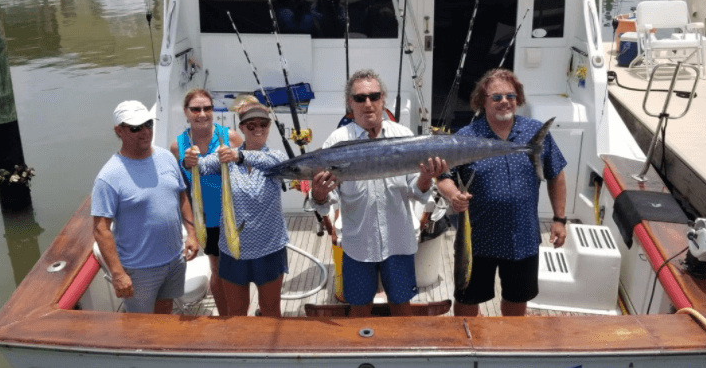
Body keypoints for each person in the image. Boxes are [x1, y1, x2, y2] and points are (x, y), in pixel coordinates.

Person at [311, 69, 449, 317]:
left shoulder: (404, 136)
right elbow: (327, 201)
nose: (368, 103)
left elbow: (417, 193)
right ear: (350, 103)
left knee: (402, 307)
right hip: (358, 246)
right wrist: (319, 194)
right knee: (359, 309)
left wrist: (426, 178)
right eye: (360, 98)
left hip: (399, 243)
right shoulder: (336, 142)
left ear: (383, 99)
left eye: (374, 96)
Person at [436, 68, 567, 317]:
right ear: (482, 101)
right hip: (477, 239)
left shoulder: (535, 132)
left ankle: (511, 340)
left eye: (511, 96)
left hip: (523, 236)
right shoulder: (466, 137)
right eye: (496, 97)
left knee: (517, 299)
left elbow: (556, 174)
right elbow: (443, 176)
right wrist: (453, 195)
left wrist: (559, 219)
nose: (504, 101)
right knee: (467, 298)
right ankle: (467, 338)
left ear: (518, 99)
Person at [91, 100, 200, 314]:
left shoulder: (166, 157)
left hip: (175, 259)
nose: (145, 132)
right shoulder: (109, 176)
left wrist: (192, 234)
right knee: (139, 325)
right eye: (135, 128)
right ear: (119, 131)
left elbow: (181, 196)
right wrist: (118, 273)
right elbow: (100, 229)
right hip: (138, 269)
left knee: (166, 309)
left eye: (148, 124)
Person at [194, 97, 289, 317]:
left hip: (269, 249)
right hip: (233, 250)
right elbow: (203, 167)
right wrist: (191, 158)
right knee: (236, 312)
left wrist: (239, 155)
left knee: (271, 310)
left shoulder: (276, 157)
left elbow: (275, 164)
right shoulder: (226, 157)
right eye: (251, 125)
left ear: (269, 126)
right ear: (242, 128)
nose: (258, 129)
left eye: (263, 124)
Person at [169, 89, 243, 315]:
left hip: (235, 217)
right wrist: (191, 231)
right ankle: (224, 318)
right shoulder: (177, 147)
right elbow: (182, 192)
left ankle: (240, 317)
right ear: (186, 112)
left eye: (207, 108)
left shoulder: (231, 137)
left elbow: (248, 172)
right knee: (217, 270)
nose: (202, 114)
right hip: (207, 220)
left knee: (239, 270)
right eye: (196, 109)